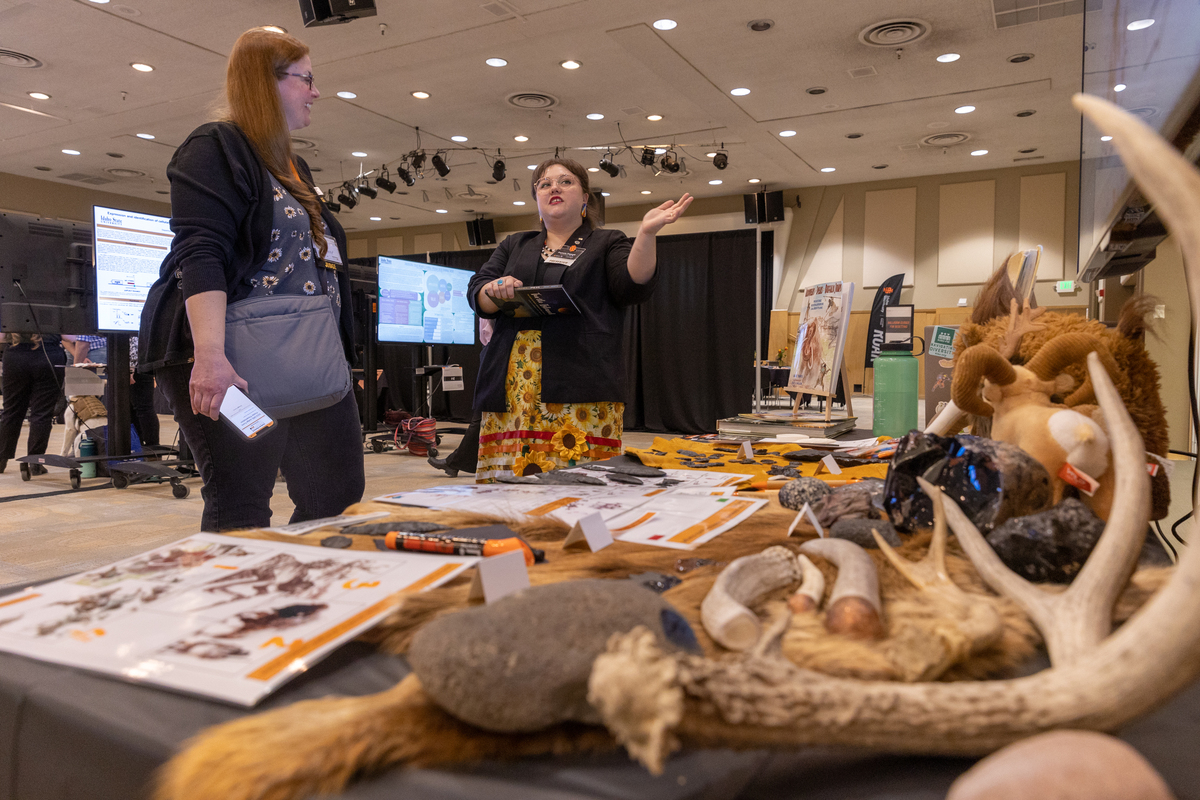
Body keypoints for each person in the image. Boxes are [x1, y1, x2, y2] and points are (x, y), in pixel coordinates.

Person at [139, 27, 363, 530]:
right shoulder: (215, 146)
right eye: (307, 78)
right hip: (233, 364)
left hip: (304, 358)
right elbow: (201, 252)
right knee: (241, 500)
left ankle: (310, 596)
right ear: (269, 82)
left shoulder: (292, 165)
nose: (316, 91)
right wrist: (211, 357)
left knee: (338, 494)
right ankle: (241, 605)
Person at [467, 158, 692, 481]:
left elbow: (633, 283)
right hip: (513, 388)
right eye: (544, 184)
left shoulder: (606, 242)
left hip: (580, 382)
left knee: (581, 489)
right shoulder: (515, 245)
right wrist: (494, 289)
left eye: (566, 181)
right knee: (509, 487)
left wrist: (646, 234)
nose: (554, 187)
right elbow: (477, 292)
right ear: (537, 200)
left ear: (586, 197)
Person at [0, 333, 67, 474]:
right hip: (49, 355)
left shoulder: (9, 309)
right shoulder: (57, 309)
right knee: (42, 413)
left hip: (15, 356)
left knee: (11, 411)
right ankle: (35, 462)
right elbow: (70, 337)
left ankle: (1, 458)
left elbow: (1, 336)